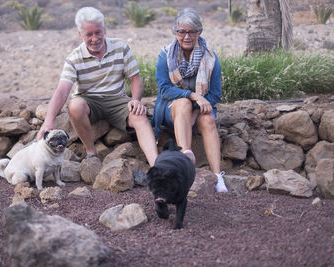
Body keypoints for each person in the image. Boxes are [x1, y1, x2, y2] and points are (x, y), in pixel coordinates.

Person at [37, 6, 158, 167]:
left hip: (117, 99)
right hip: (89, 102)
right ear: (80, 35)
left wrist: (136, 100)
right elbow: (62, 91)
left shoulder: (120, 47)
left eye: (98, 32)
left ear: (105, 30)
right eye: (89, 34)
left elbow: (135, 79)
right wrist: (49, 121)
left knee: (140, 115)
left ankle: (157, 166)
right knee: (75, 105)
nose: (95, 38)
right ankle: (91, 153)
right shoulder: (74, 58)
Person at [151, 8, 228, 192]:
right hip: (172, 110)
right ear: (175, 33)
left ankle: (218, 177)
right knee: (183, 102)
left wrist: (196, 110)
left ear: (199, 32)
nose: (187, 36)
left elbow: (216, 93)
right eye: (182, 32)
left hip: (199, 111)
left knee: (208, 119)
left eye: (192, 31)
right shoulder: (165, 55)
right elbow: (164, 89)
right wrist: (193, 95)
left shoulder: (210, 58)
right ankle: (186, 159)